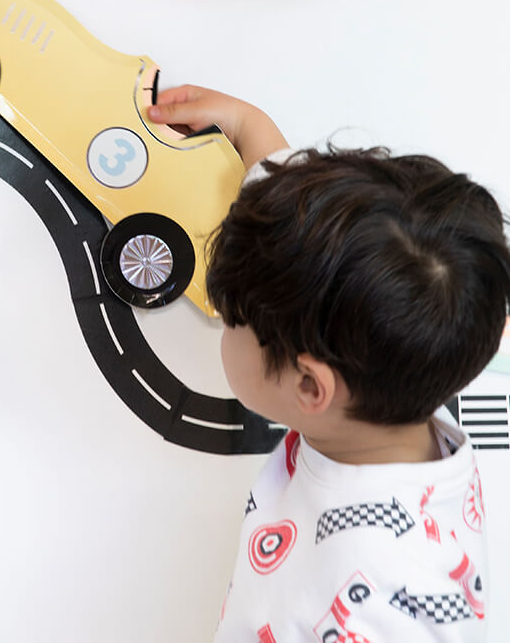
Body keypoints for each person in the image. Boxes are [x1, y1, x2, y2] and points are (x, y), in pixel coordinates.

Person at [148, 85, 510, 642]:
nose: (225, 322)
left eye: (234, 319)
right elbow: (320, 243)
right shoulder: (401, 374)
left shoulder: (374, 592)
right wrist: (248, 127)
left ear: (311, 386)